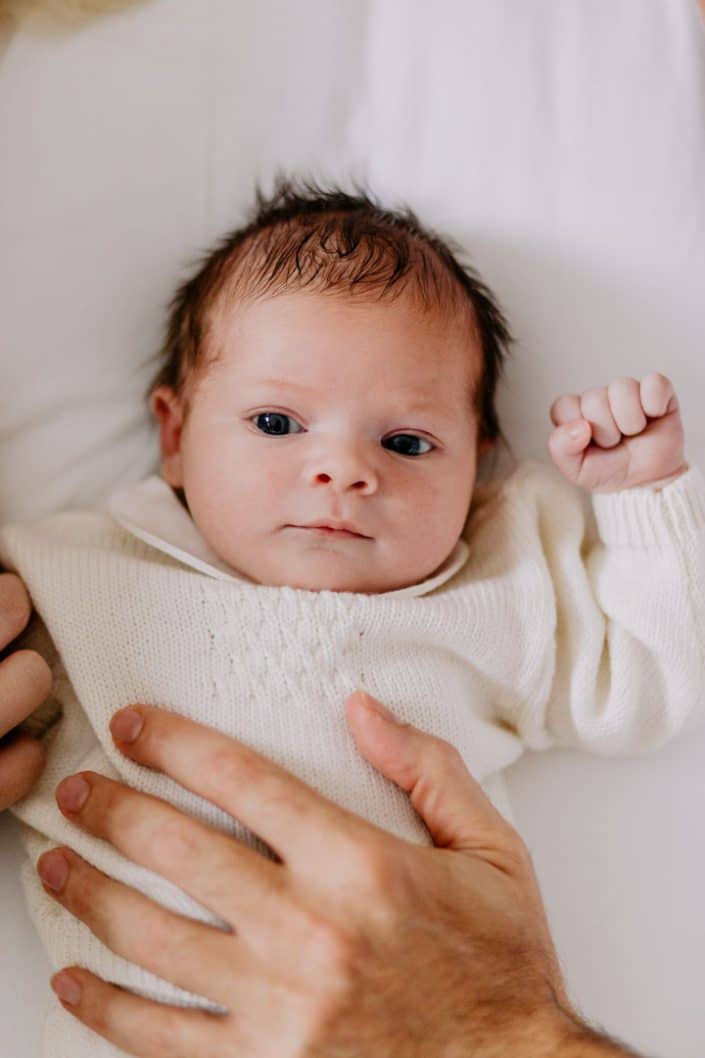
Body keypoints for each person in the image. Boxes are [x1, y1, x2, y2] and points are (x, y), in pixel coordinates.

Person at [1, 178, 702, 1057]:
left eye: (406, 443)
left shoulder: (501, 587)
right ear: (174, 436)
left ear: (478, 465)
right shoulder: (77, 572)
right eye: (275, 421)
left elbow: (643, 687)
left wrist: (642, 500)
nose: (341, 469)